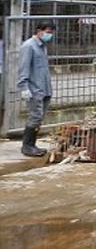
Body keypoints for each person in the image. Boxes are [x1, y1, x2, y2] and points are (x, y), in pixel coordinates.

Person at [16, 22, 55, 157]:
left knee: (39, 118)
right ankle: (27, 146)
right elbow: (23, 68)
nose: (49, 35)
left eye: (51, 33)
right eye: (47, 32)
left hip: (43, 88)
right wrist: (24, 88)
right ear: (39, 30)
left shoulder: (42, 46)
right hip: (34, 90)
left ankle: (32, 145)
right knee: (35, 116)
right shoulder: (28, 46)